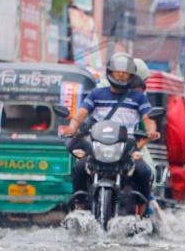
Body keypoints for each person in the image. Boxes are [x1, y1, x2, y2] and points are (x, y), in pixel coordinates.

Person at [60, 53, 161, 210]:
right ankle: (79, 206)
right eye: (117, 72)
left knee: (144, 171)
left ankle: (142, 208)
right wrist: (72, 127)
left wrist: (151, 131)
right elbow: (81, 113)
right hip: (99, 145)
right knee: (80, 167)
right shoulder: (96, 94)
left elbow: (148, 118)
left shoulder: (138, 97)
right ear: (110, 73)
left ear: (131, 76)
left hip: (126, 147)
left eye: (125, 73)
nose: (120, 76)